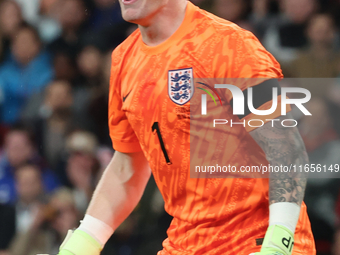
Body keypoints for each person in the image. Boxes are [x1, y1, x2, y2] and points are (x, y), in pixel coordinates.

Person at [57, 1, 315, 255]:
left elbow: (287, 150)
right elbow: (128, 165)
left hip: (256, 239)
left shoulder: (229, 44)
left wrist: (278, 244)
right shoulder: (123, 59)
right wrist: (81, 244)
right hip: (186, 243)